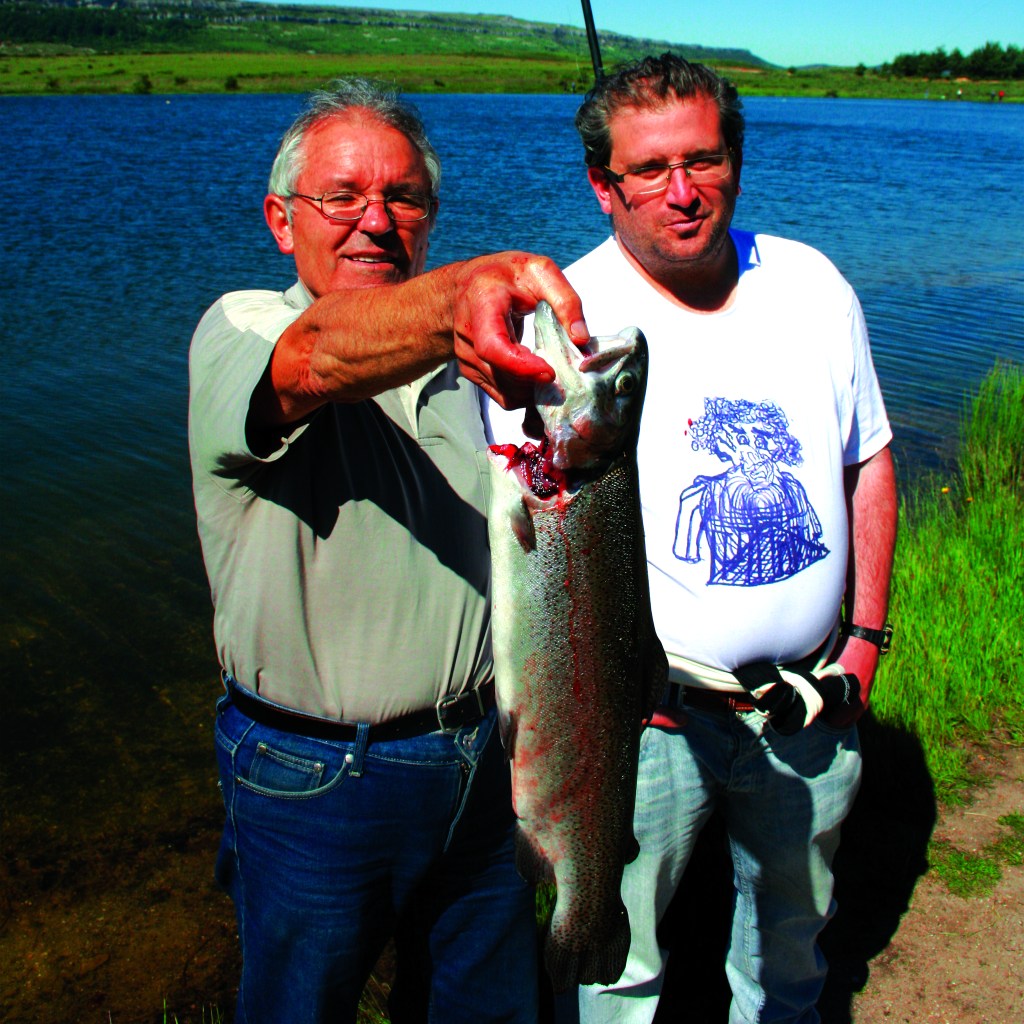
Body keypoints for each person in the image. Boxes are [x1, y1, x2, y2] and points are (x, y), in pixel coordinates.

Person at [490, 54, 897, 1024]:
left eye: (704, 160)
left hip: (807, 703)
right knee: (619, 974)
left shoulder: (813, 284)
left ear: (736, 161)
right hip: (642, 725)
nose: (683, 191)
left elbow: (868, 462)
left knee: (791, 951)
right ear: (603, 186)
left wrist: (864, 641)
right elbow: (523, 514)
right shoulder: (561, 325)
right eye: (649, 169)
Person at [188, 77, 589, 1024]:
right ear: (282, 220)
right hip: (316, 780)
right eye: (344, 197)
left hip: (487, 763)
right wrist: (458, 300)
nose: (377, 220)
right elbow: (318, 354)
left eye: (404, 197)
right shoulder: (240, 329)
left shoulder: (475, 369)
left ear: (430, 216)